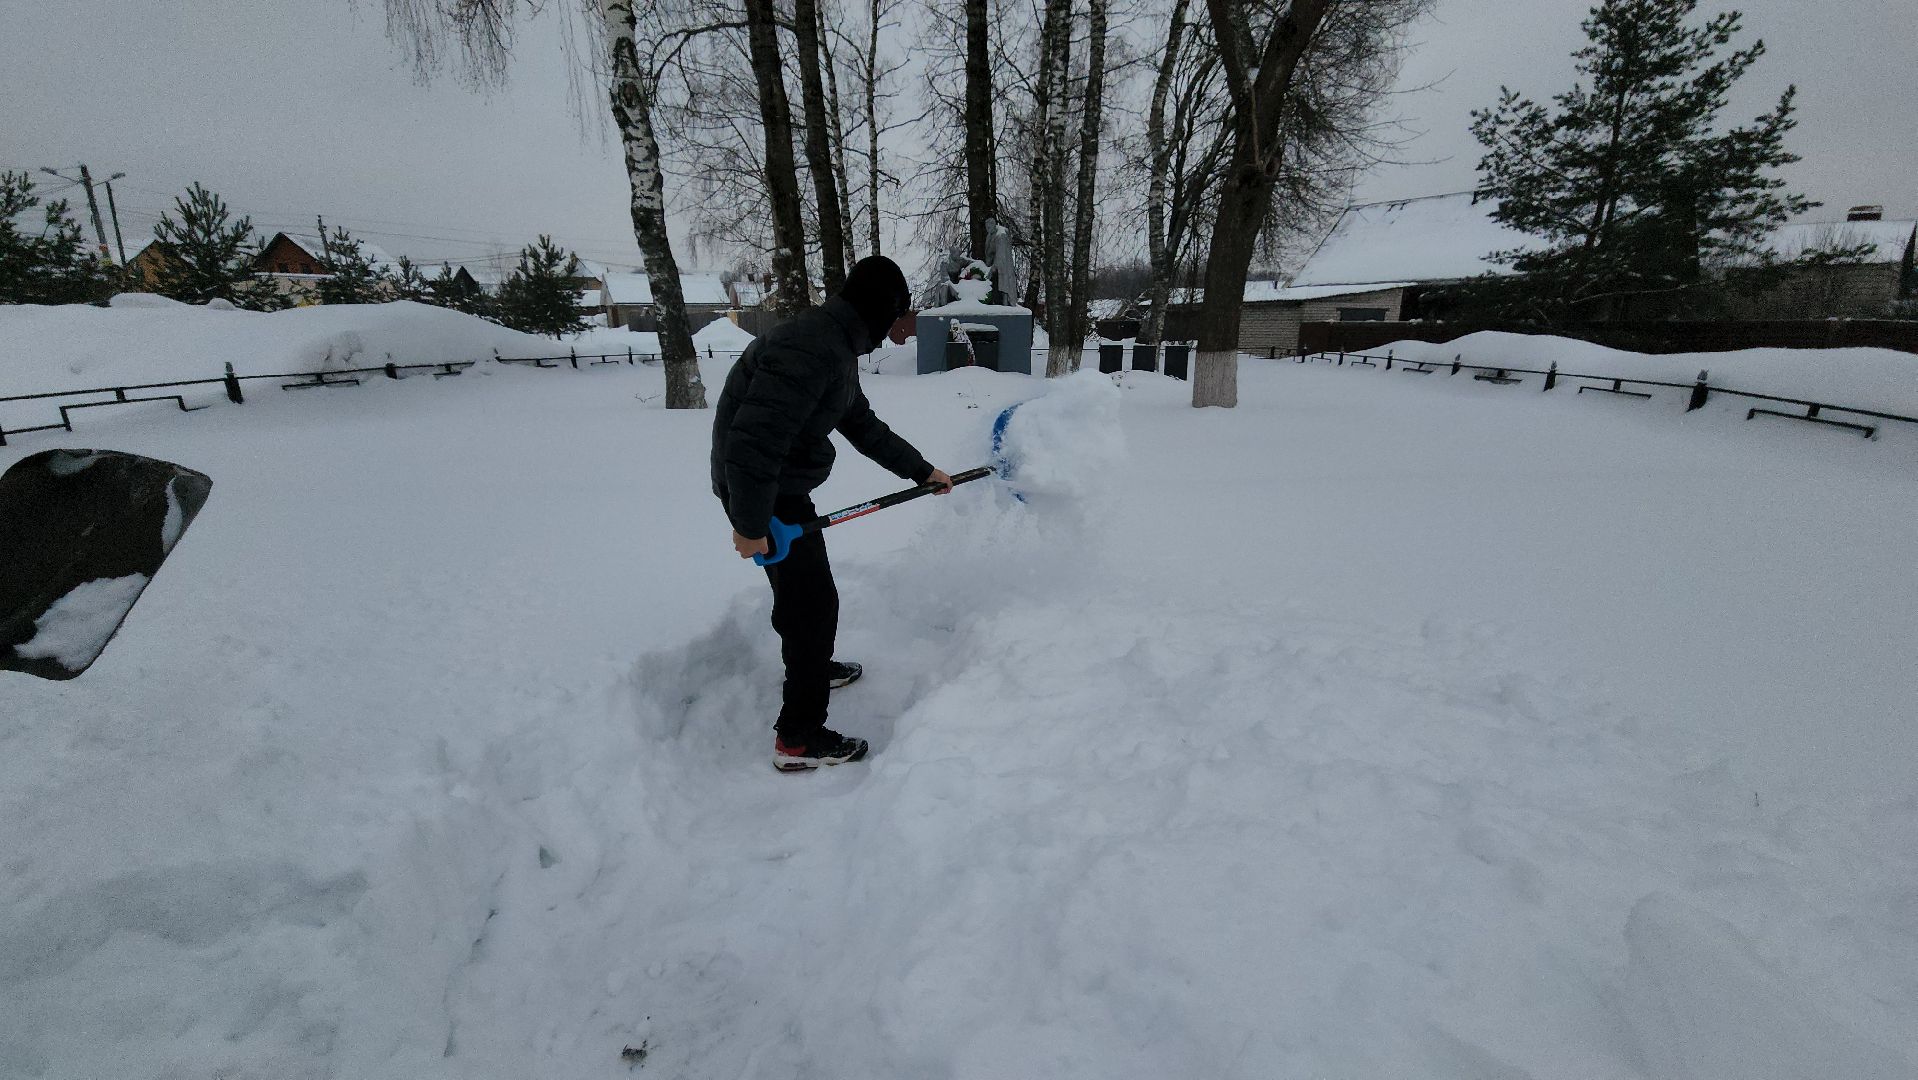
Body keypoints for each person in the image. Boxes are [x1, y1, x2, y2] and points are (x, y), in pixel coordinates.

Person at [711, 255, 954, 772]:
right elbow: (754, 443)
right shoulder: (811, 348)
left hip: (776, 487)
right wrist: (750, 526)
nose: (897, 327)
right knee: (813, 608)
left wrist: (921, 471)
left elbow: (861, 424)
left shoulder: (833, 345)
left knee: (802, 600)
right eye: (897, 315)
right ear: (880, 311)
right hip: (764, 491)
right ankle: (798, 739)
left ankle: (811, 668)